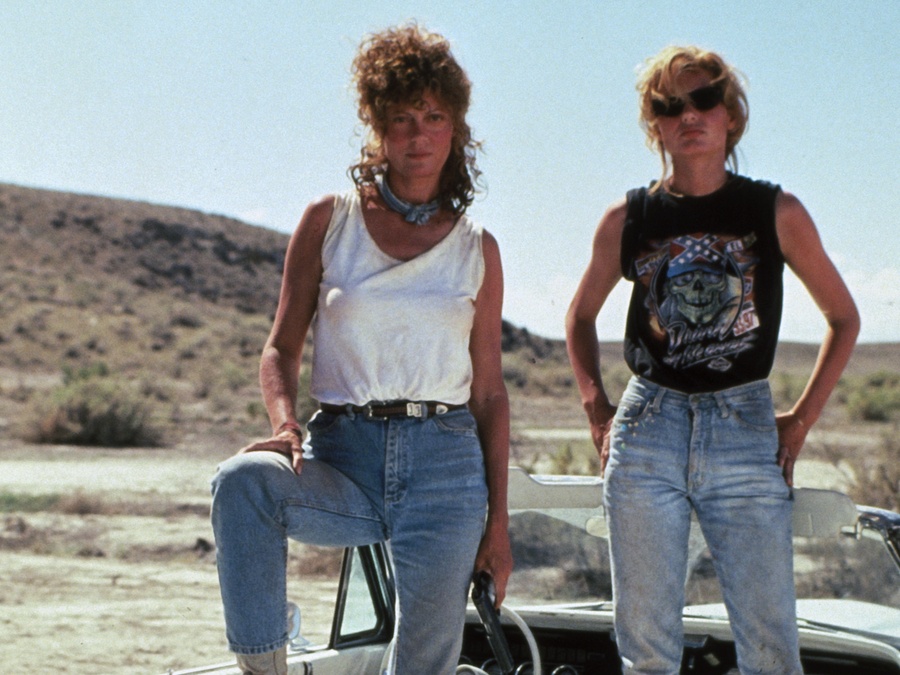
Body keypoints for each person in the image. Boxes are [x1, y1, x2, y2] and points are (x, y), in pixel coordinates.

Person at [210, 24, 512, 675]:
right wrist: (284, 425)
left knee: (424, 663)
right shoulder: (330, 220)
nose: (418, 135)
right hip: (344, 457)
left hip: (446, 468)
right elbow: (280, 347)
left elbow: (489, 392)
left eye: (433, 117)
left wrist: (500, 525)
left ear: (456, 128)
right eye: (401, 118)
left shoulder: (477, 248)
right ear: (377, 126)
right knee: (241, 483)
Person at [566, 45, 859, 675]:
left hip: (743, 427)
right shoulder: (629, 217)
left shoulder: (775, 212)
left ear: (731, 114)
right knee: (646, 653)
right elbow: (580, 316)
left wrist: (800, 420)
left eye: (703, 100)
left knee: (771, 650)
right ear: (655, 124)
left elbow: (844, 317)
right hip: (649, 428)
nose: (689, 116)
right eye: (669, 106)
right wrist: (597, 410)